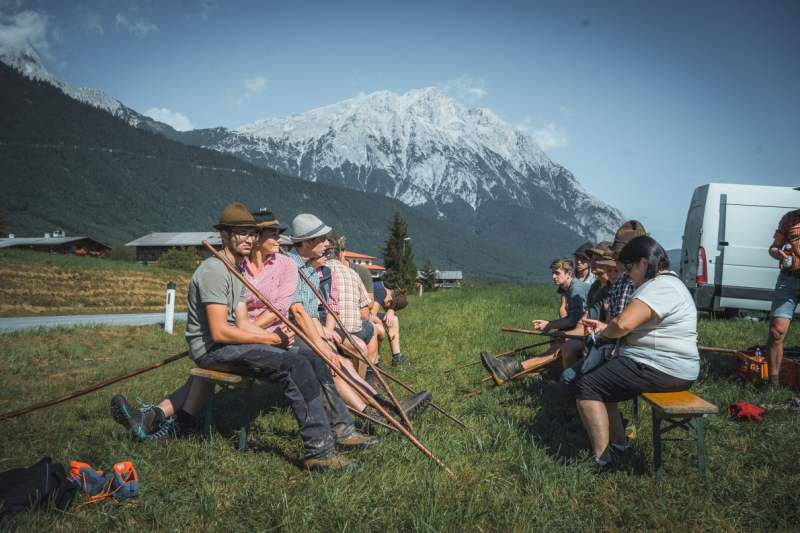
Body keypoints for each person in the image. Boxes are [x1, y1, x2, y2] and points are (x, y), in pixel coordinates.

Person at [110, 204, 368, 471]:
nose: (249, 239)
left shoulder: (236, 271)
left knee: (312, 358)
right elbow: (220, 331)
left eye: (252, 233)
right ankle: (320, 452)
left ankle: (341, 430)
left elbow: (244, 322)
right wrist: (271, 341)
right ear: (224, 236)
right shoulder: (215, 270)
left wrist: (278, 337)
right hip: (214, 350)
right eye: (241, 233)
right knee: (295, 366)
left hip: (234, 344)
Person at [575, 235, 699, 470]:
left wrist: (604, 333)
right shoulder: (668, 284)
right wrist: (606, 327)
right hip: (668, 366)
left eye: (629, 267)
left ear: (644, 262)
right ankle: (620, 446)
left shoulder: (659, 287)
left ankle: (602, 462)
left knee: (587, 385)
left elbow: (622, 324)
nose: (627, 273)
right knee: (602, 385)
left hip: (663, 367)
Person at [481, 258, 589, 385]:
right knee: (555, 342)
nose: (553, 276)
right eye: (552, 273)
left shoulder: (576, 289)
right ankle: (521, 369)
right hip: (583, 332)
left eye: (557, 273)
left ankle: (512, 369)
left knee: (559, 349)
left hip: (589, 334)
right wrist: (557, 329)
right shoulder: (570, 288)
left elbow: (576, 319)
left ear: (569, 274)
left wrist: (551, 326)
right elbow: (575, 318)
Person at [765, 209, 800, 390]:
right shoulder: (790, 218)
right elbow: (774, 247)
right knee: (776, 332)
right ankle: (773, 384)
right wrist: (776, 252)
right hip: (788, 280)